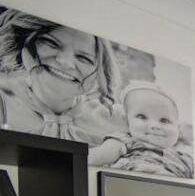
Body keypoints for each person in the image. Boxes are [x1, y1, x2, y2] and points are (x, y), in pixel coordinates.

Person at [0, 9, 124, 145]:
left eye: (84, 58)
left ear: (99, 73)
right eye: (51, 43)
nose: (66, 62)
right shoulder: (4, 103)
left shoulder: (117, 122)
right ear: (24, 44)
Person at [95, 81, 194, 177]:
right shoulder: (125, 141)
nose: (154, 126)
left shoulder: (184, 158)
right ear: (127, 121)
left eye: (164, 120)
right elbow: (94, 157)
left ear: (177, 127)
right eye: (142, 117)